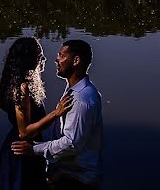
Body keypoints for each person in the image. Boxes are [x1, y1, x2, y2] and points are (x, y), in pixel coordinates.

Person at [11, 39, 104, 189]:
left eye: (61, 55)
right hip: (68, 174)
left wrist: (34, 150)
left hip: (77, 179)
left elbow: (71, 143)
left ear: (76, 61)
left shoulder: (80, 99)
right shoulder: (75, 91)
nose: (56, 59)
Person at [0, 37, 74, 190]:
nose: (43, 59)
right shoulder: (21, 88)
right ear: (29, 60)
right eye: (39, 56)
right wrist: (56, 113)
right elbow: (24, 132)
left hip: (28, 149)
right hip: (21, 151)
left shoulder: (23, 84)